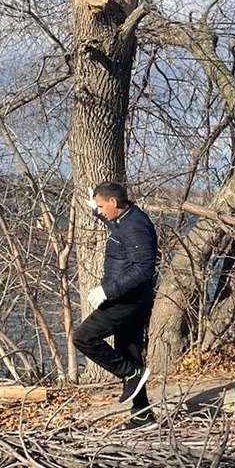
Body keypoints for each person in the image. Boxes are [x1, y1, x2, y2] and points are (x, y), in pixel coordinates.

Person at [73, 181, 159, 431]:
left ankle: (128, 373)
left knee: (84, 337)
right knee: (129, 351)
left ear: (113, 203)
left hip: (128, 300)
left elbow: (144, 269)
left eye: (101, 206)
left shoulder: (135, 226)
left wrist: (106, 290)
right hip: (129, 298)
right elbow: (110, 222)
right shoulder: (124, 218)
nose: (99, 211)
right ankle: (143, 416)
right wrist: (93, 209)